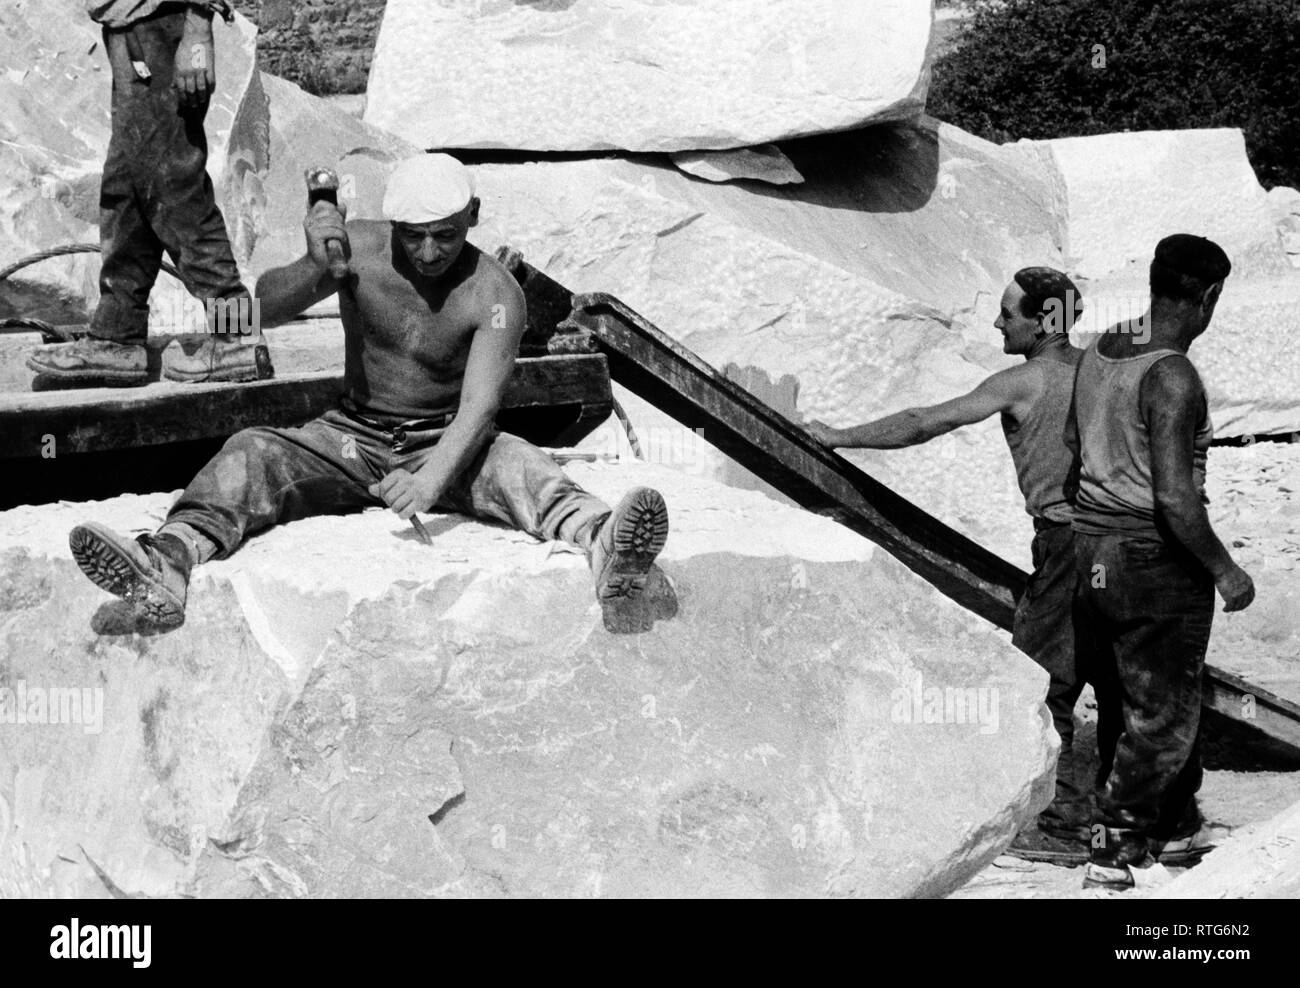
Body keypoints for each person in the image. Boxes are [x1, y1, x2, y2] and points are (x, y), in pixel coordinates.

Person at [65, 154, 670, 625]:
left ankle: (605, 542)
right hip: (351, 436)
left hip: (444, 441)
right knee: (252, 451)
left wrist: (431, 479)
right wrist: (313, 266)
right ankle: (166, 563)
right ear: (393, 223)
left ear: (475, 216)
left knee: (520, 464)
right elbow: (258, 312)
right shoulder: (356, 250)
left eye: (445, 234)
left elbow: (482, 408)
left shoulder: (495, 296)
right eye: (413, 234)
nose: (428, 251)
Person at [808, 268, 1091, 859]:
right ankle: (1137, 820)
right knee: (1116, 672)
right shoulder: (1102, 376)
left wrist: (838, 436)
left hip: (1067, 543)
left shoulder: (1024, 380)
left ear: (1045, 320)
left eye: (1009, 313)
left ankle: (1063, 825)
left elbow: (924, 423)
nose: (996, 322)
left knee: (1040, 679)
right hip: (1124, 541)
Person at [1069, 234, 1254, 891]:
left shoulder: (1101, 348)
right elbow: (1175, 497)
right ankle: (1108, 854)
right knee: (1164, 720)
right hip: (1152, 558)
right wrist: (1226, 570)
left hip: (1092, 556)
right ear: (1207, 297)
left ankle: (1172, 836)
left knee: (1129, 699)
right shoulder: (1173, 375)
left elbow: (1074, 444)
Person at [27, 1, 267, 387]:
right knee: (127, 187)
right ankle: (117, 335)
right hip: (133, 26)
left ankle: (240, 334)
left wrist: (198, 28)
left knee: (175, 186)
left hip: (162, 24)